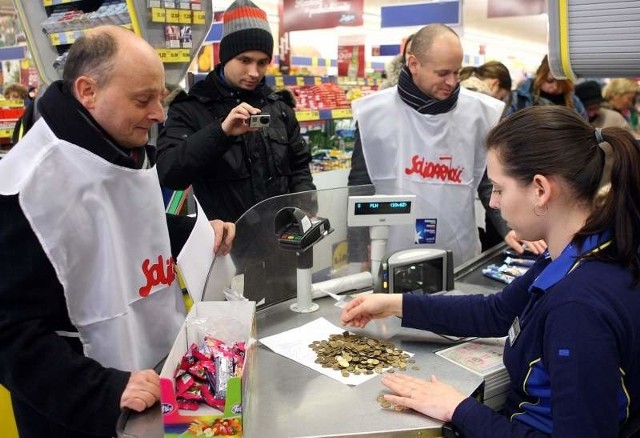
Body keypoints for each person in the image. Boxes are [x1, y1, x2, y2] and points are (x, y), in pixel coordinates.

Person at [341, 105, 640, 436]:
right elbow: (496, 312)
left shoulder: (577, 309)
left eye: (499, 188)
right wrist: (394, 303)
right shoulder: (584, 247)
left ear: (541, 190)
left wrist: (458, 408)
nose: (493, 203)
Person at [0, 26, 235, 438]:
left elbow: (121, 225)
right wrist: (102, 392)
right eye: (143, 100)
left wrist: (193, 233)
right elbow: (10, 332)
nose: (160, 114)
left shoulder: (120, 143)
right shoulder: (25, 187)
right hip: (82, 413)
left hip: (154, 379)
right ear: (88, 91)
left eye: (161, 97)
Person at [348, 24, 505, 268]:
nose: (452, 82)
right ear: (413, 64)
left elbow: (490, 183)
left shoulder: (481, 113)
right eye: (443, 73)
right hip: (391, 250)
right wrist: (357, 253)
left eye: (457, 72)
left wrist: (511, 229)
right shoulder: (374, 114)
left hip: (458, 252)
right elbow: (360, 185)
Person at [157, 0, 316, 222]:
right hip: (226, 245)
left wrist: (305, 208)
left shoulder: (278, 106)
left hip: (283, 239)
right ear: (226, 57)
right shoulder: (191, 108)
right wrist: (221, 132)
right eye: (245, 60)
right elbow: (170, 173)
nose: (254, 72)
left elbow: (299, 167)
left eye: (262, 63)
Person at [506, 55, 586, 119]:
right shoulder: (519, 98)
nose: (555, 87)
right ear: (540, 76)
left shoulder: (575, 103)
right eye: (549, 81)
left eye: (561, 82)